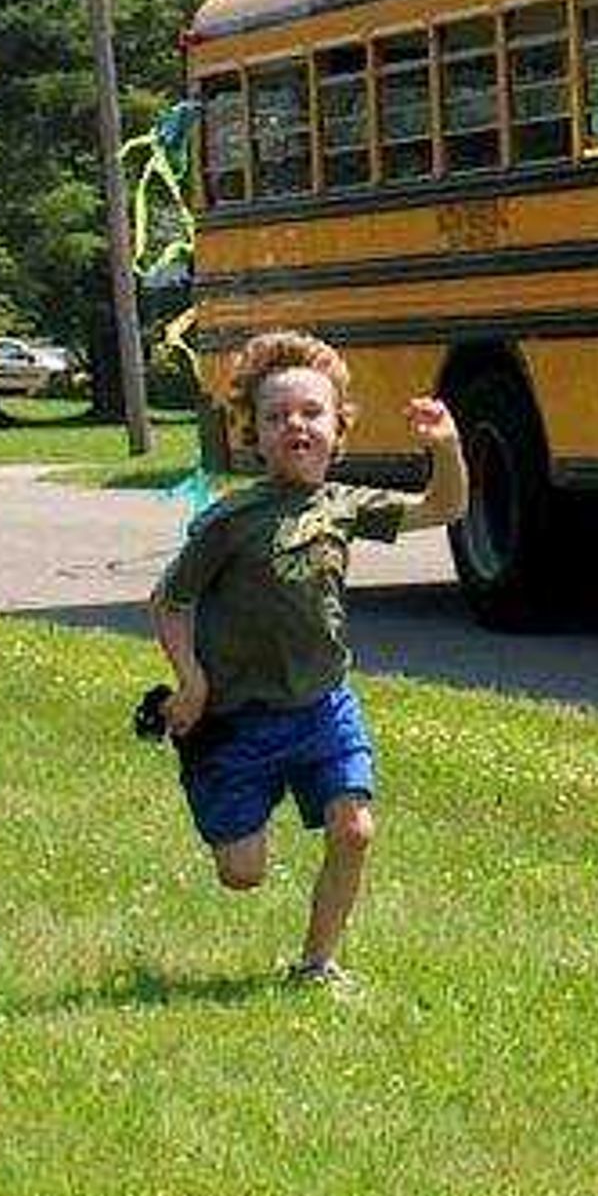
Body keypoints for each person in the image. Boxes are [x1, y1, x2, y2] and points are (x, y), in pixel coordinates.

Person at [141, 329, 465, 987]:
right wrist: (192, 682)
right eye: (276, 416)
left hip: (323, 704)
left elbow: (444, 507)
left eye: (311, 413)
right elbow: (169, 601)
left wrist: (448, 448)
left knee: (354, 829)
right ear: (253, 435)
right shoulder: (230, 521)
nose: (296, 425)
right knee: (243, 874)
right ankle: (208, 773)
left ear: (338, 428)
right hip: (236, 720)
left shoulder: (344, 505)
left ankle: (317, 965)